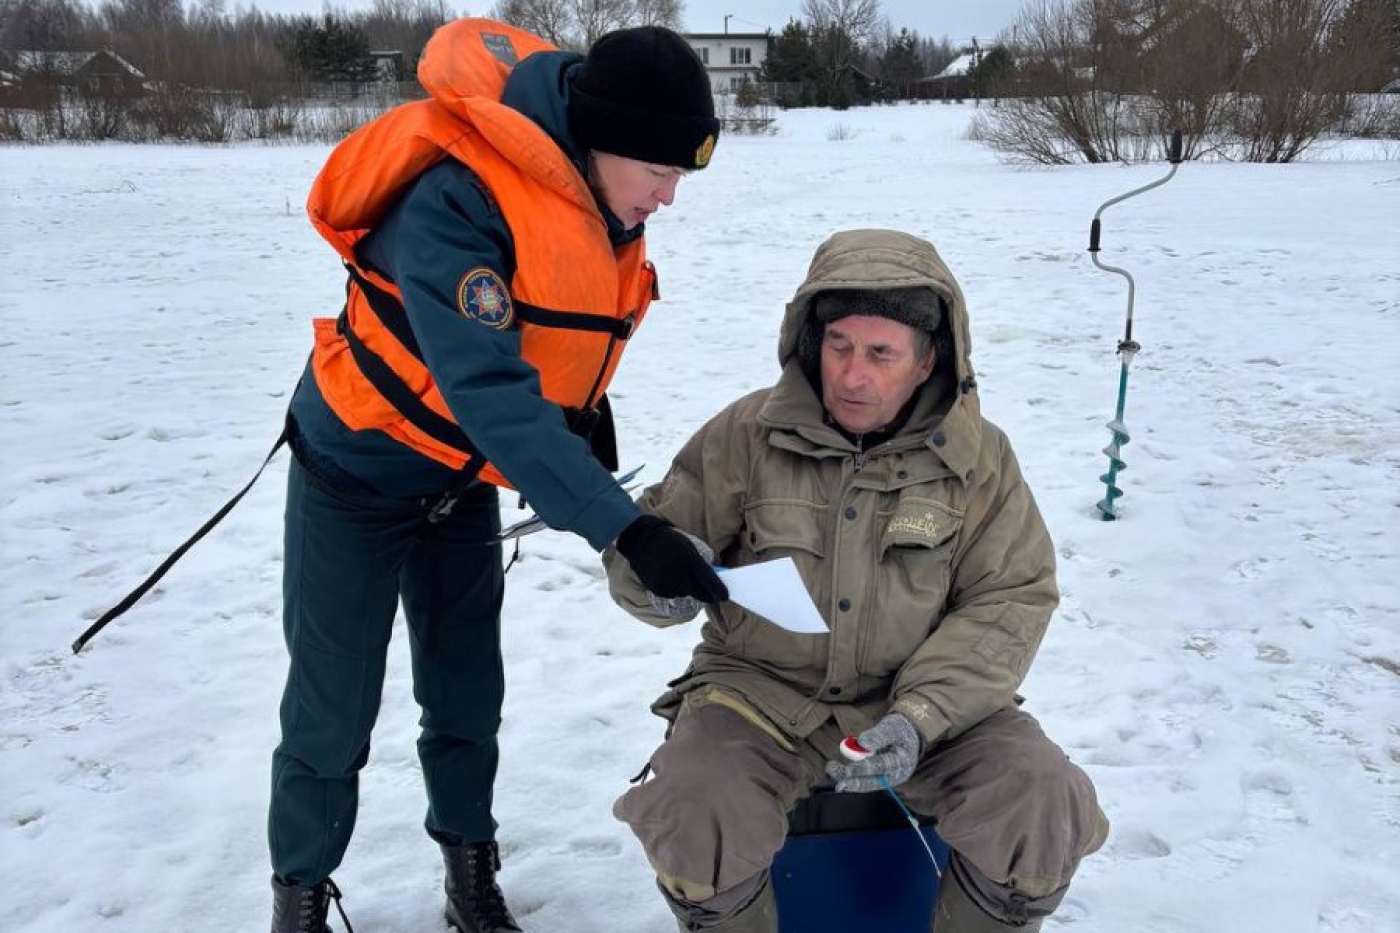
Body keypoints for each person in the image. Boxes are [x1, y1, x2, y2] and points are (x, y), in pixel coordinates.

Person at [269, 18, 729, 933]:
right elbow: (485, 386)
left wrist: (584, 419)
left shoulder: (598, 198)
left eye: (682, 176)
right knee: (332, 708)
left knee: (467, 690)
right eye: (661, 172)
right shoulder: (456, 199)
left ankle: (469, 875)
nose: (669, 197)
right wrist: (624, 527)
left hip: (458, 485)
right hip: (355, 474)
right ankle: (301, 898)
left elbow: (552, 341)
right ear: (602, 142)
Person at [603, 229, 1110, 932]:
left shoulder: (981, 458)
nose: (852, 374)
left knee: (1042, 799)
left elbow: (1010, 595)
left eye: (881, 353)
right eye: (838, 344)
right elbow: (647, 547)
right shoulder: (745, 433)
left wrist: (922, 715)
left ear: (929, 358)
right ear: (811, 341)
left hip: (927, 704)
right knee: (694, 801)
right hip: (760, 696)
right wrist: (655, 575)